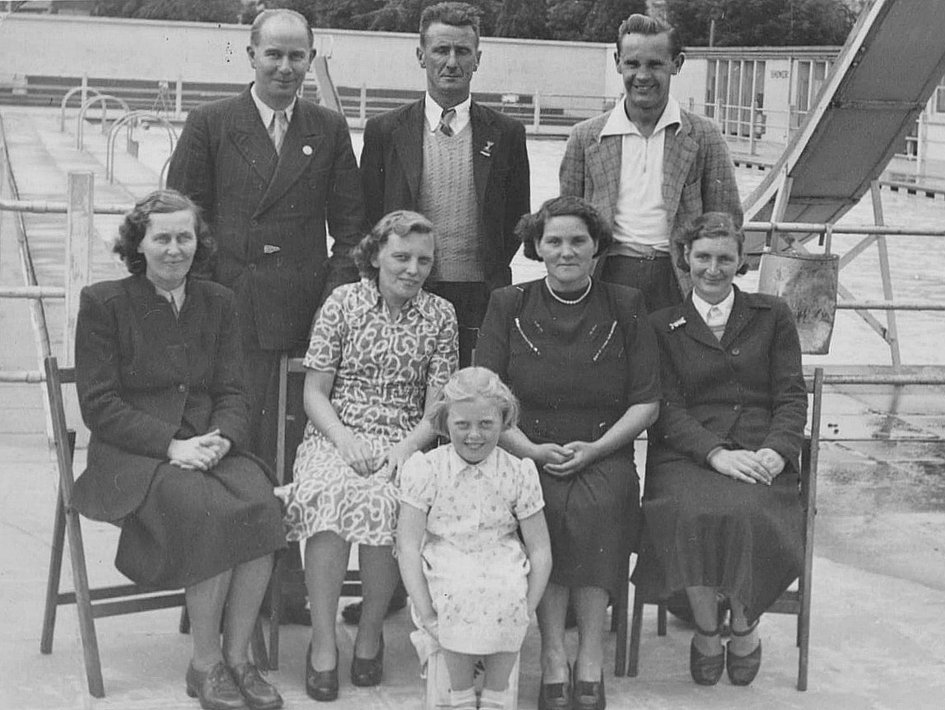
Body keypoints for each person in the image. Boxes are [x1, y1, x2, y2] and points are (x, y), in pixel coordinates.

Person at [166, 7, 366, 624]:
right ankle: (215, 591)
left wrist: (331, 304)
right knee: (233, 447)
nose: (285, 67)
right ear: (249, 55)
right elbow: (183, 221)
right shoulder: (211, 124)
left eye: (296, 56)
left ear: (311, 59)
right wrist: (208, 303)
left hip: (306, 318)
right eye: (273, 55)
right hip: (232, 316)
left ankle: (281, 593)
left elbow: (352, 231)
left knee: (290, 455)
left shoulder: (328, 129)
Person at [73, 190, 285, 710]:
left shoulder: (219, 301)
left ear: (198, 242)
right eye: (161, 237)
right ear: (138, 244)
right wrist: (171, 446)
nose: (174, 248)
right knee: (208, 510)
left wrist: (222, 439)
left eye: (184, 237)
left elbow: (236, 390)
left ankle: (239, 660)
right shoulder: (104, 303)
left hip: (207, 444)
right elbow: (99, 405)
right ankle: (205, 665)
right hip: (133, 455)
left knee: (264, 504)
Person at [474, 196, 660, 710]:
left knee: (601, 506)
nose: (566, 251)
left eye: (578, 240)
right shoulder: (508, 303)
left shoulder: (626, 304)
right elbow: (485, 395)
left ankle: (592, 657)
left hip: (604, 448)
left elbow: (646, 401)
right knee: (545, 506)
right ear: (536, 245)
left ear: (597, 246)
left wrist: (598, 447)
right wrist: (529, 449)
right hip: (523, 446)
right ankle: (555, 655)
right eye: (553, 240)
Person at [277, 211, 457, 701]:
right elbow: (315, 391)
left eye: (424, 260)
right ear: (376, 255)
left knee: (389, 502)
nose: (412, 269)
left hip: (405, 439)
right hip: (336, 434)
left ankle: (371, 631)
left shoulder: (441, 315)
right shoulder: (343, 302)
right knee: (329, 496)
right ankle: (322, 640)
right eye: (401, 256)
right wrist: (342, 438)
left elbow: (437, 409)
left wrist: (402, 450)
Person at [632, 212, 808, 688]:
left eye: (725, 258)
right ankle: (709, 631)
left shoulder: (773, 315)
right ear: (684, 258)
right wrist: (713, 453)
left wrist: (778, 450)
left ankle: (745, 626)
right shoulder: (661, 324)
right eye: (703, 257)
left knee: (749, 510)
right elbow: (665, 407)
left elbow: (791, 395)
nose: (714, 268)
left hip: (759, 448)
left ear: (741, 260)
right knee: (689, 512)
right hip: (688, 454)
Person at [359, 0, 530, 365]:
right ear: (421, 56)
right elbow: (370, 216)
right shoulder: (385, 131)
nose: (451, 62)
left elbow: (517, 218)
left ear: (477, 59)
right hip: (408, 288)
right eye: (441, 50)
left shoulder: (507, 133)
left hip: (480, 296)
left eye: (462, 51)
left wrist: (484, 265)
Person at [560, 13, 742, 315]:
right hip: (607, 275)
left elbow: (726, 219)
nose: (642, 76)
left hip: (678, 279)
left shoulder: (705, 136)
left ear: (677, 64)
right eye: (632, 64)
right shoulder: (586, 136)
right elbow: (566, 219)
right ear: (618, 62)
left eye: (655, 64)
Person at [397, 367, 553, 710]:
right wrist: (426, 613)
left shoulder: (518, 471)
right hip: (447, 555)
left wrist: (526, 610)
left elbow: (540, 551)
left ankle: (496, 696)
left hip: (499, 555)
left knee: (509, 585)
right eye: (462, 425)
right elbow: (407, 547)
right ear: (445, 422)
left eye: (486, 424)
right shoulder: (427, 469)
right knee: (459, 586)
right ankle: (461, 696)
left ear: (504, 420)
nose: (474, 436)